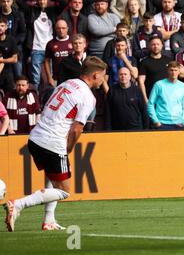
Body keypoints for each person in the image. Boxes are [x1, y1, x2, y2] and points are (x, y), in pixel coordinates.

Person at [4, 56, 107, 232]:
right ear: (95, 75)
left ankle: (49, 220)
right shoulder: (88, 97)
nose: (103, 80)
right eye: (103, 76)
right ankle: (17, 204)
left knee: (53, 179)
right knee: (64, 191)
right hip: (53, 142)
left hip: (36, 137)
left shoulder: (65, 84)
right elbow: (76, 130)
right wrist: (67, 149)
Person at [147, 60, 184, 129]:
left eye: (176, 70)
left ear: (179, 71)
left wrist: (183, 120)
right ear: (167, 71)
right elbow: (150, 104)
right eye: (171, 70)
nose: (173, 72)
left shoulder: (183, 86)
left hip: (178, 123)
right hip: (161, 123)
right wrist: (156, 121)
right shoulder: (159, 85)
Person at [138, 33, 172, 104]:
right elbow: (141, 82)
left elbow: (173, 78)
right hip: (151, 98)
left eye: (158, 44)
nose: (156, 46)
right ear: (149, 46)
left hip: (167, 98)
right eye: (153, 44)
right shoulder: (144, 62)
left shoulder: (169, 61)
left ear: (162, 45)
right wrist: (145, 99)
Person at [0, 0, 26, 79]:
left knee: (18, 72)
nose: (6, 4)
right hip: (1, 44)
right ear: (1, 2)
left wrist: (14, 42)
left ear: (12, 2)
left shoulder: (17, 14)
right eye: (4, 1)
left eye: (8, 1)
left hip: (15, 45)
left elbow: (23, 32)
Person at [44, 19, 72, 88]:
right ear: (55, 29)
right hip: (56, 78)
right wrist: (49, 78)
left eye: (63, 28)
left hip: (72, 78)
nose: (61, 30)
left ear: (67, 29)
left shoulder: (73, 41)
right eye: (59, 28)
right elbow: (46, 61)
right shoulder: (50, 44)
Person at [0, 16, 19, 94]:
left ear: (6, 27)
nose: (0, 28)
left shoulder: (11, 40)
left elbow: (15, 59)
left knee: (9, 95)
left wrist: (2, 60)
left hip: (8, 72)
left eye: (2, 26)